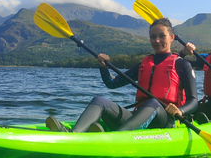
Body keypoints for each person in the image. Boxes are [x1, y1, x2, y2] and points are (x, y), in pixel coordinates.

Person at [46, 18, 198, 133]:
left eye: (161, 36)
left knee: (153, 103)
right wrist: (103, 67)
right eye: (152, 37)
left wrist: (180, 110)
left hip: (166, 121)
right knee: (100, 100)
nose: (156, 41)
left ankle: (115, 139)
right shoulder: (145, 64)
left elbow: (194, 101)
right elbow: (112, 84)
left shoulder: (182, 64)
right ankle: (73, 136)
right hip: (138, 117)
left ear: (171, 37)